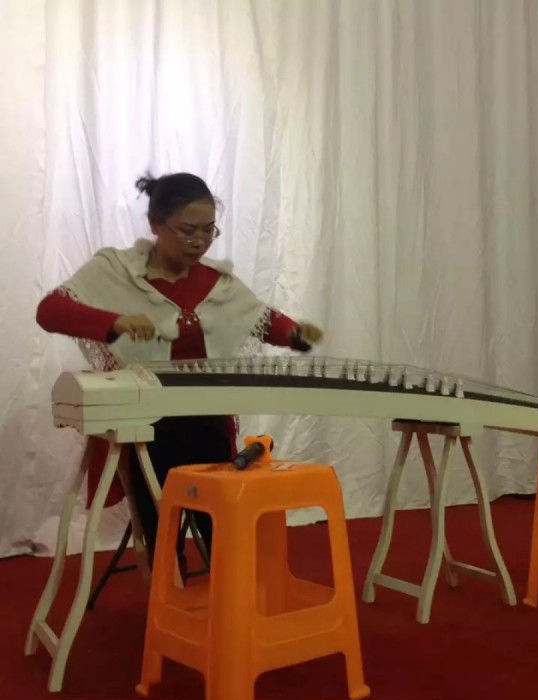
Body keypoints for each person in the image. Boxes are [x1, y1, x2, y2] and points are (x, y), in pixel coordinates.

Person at [36, 171, 323, 562]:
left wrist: (294, 333)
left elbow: (261, 318)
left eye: (208, 230)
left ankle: (224, 592)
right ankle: (170, 588)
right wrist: (115, 322)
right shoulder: (117, 270)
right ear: (156, 224)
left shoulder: (217, 282)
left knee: (222, 525)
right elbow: (50, 311)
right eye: (187, 230)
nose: (199, 241)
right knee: (161, 526)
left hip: (208, 423)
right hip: (147, 426)